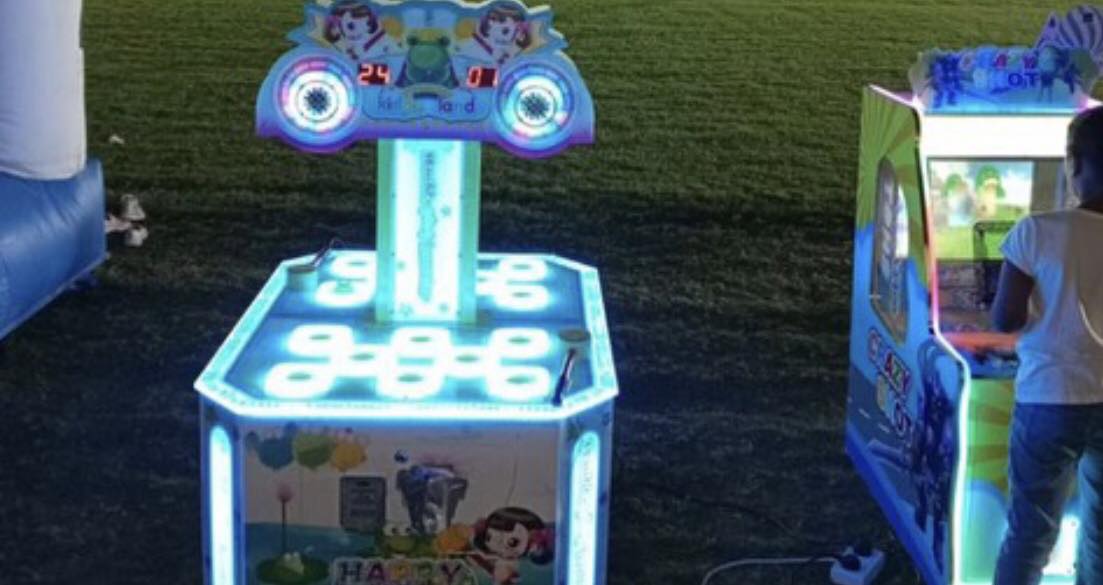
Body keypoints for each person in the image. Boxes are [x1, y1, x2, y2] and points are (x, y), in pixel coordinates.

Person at [992, 106, 1103, 585]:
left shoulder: (1037, 230)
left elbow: (1006, 319)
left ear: (1074, 164)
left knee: (1031, 532)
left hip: (1049, 398)